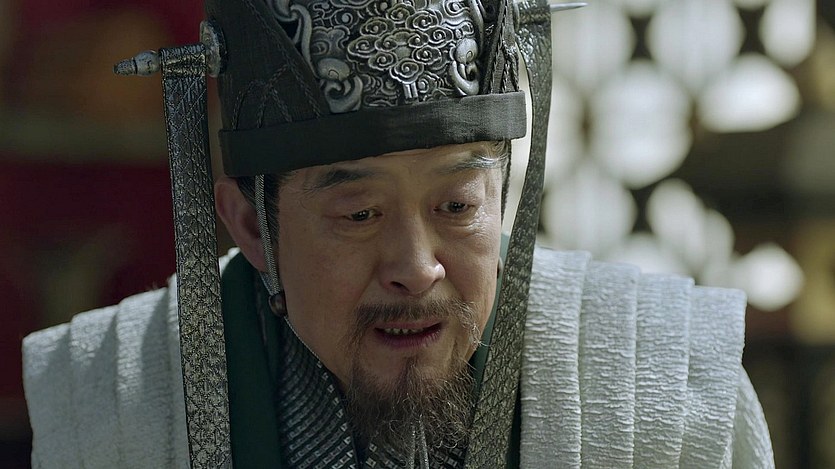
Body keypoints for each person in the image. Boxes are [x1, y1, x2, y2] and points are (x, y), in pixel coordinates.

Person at [22, 0, 774, 467]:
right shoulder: (106, 409)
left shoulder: (672, 393)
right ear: (251, 225)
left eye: (457, 206)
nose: (416, 269)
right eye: (359, 214)